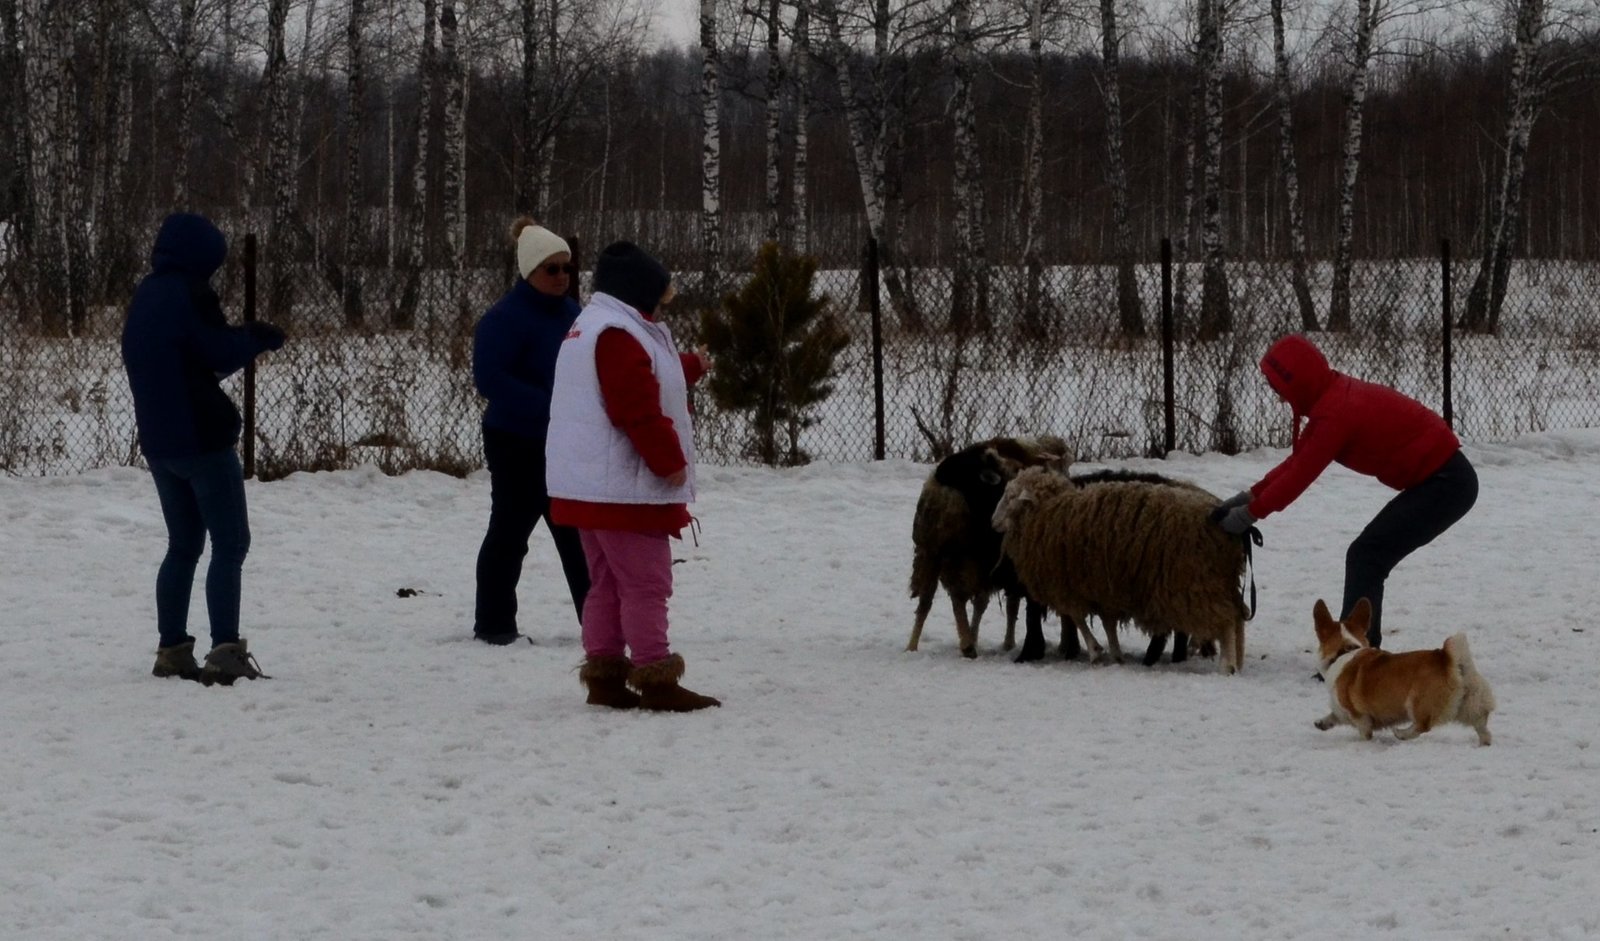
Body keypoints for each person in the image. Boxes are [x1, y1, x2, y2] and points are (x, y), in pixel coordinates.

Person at [1211, 333, 1479, 648]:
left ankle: (1352, 652)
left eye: (1280, 389)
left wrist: (1248, 515)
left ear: (1299, 384)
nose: (1280, 399)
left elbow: (1299, 476)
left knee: (1367, 555)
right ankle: (1358, 648)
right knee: (1368, 554)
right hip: (1441, 477)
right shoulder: (1331, 397)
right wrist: (1247, 498)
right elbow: (1295, 464)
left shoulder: (1335, 413)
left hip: (1447, 483)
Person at [546, 240, 720, 711]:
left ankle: (603, 674)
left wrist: (691, 366)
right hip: (623, 490)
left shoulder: (598, 325)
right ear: (641, 291)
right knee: (646, 583)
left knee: (605, 582)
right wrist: (669, 462)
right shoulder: (619, 334)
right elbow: (635, 407)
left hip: (592, 487)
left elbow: (647, 377)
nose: (664, 307)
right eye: (661, 298)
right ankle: (656, 675)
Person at [121, 212, 286, 685]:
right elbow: (215, 352)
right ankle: (225, 651)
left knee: (183, 545)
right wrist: (255, 337)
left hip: (160, 442)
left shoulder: (146, 294)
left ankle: (171, 649)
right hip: (202, 440)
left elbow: (181, 358)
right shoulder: (191, 294)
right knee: (230, 543)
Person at [470, 218, 591, 645]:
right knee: (509, 532)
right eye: (552, 269)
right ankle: (495, 625)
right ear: (530, 271)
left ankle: (598, 628)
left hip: (563, 441)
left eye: (567, 268)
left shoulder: (574, 313)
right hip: (516, 440)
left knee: (577, 535)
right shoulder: (504, 319)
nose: (562, 277)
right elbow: (490, 379)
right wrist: (551, 405)